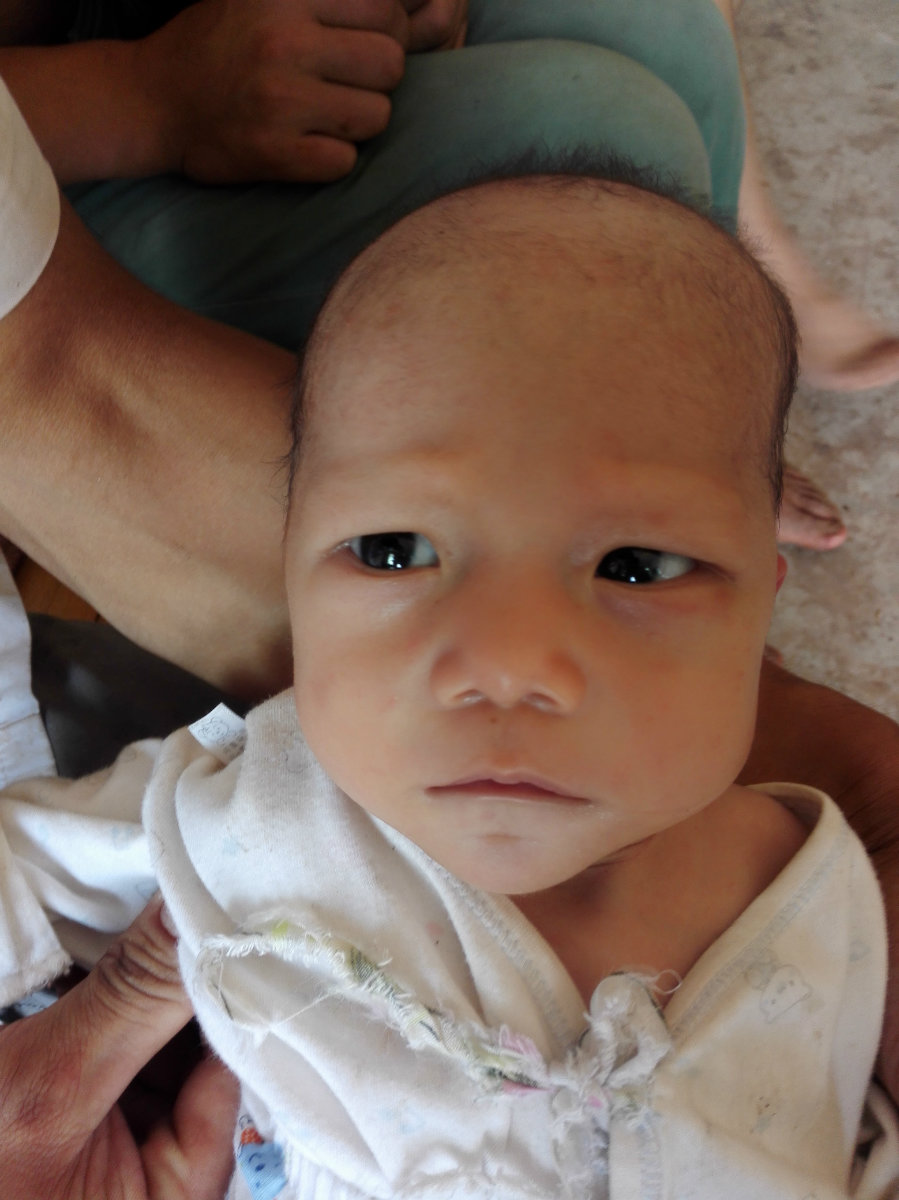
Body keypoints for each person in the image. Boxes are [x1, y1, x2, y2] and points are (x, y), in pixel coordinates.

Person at [3, 176, 899, 1198]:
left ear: (760, 612)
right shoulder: (245, 812)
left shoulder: (825, 889)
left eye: (634, 566)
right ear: (289, 568)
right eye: (394, 551)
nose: (506, 665)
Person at [0, 0, 871, 584]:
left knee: (660, 27)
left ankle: (676, 431)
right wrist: (150, 91)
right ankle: (603, 496)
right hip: (45, 184)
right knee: (597, 141)